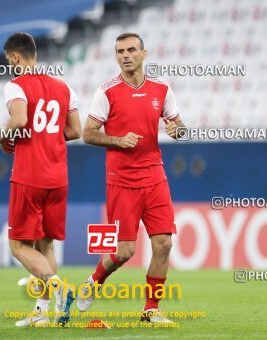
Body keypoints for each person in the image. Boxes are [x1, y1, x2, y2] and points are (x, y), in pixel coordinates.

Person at [77, 32, 185, 323]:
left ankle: (151, 311)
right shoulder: (107, 91)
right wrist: (117, 140)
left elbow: (177, 122)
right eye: (119, 51)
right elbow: (87, 134)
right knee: (124, 252)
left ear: (144, 54)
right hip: (122, 180)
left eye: (131, 50)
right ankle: (93, 282)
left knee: (163, 243)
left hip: (155, 176)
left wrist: (178, 130)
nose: (125, 55)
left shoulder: (161, 88)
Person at [0, 32, 81, 327]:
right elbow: (75, 131)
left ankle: (58, 286)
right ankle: (42, 314)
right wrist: (49, 137)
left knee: (19, 246)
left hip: (29, 176)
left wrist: (3, 136)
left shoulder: (16, 85)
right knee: (45, 246)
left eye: (9, 60)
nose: (9, 65)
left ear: (15, 57)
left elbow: (19, 120)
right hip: (58, 178)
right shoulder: (63, 86)